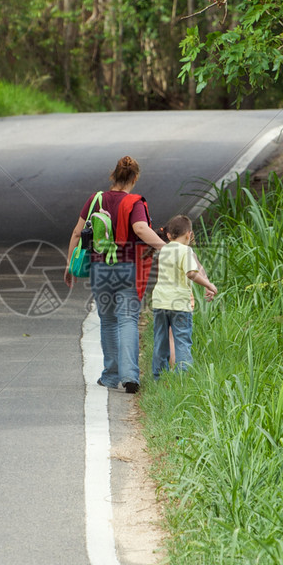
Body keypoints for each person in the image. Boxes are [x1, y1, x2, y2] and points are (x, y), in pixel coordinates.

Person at [64, 155, 165, 393]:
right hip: (126, 268)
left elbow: (78, 233)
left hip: (99, 270)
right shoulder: (134, 202)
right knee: (128, 320)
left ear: (114, 175)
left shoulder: (95, 199)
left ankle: (110, 376)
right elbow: (140, 228)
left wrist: (70, 265)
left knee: (108, 321)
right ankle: (130, 377)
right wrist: (165, 246)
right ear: (135, 177)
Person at [151, 214, 217, 379]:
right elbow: (191, 274)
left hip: (160, 302)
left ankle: (158, 376)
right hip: (179, 304)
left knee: (160, 339)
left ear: (168, 235)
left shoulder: (164, 249)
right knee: (182, 340)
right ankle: (183, 377)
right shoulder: (186, 251)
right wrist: (208, 285)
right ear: (189, 234)